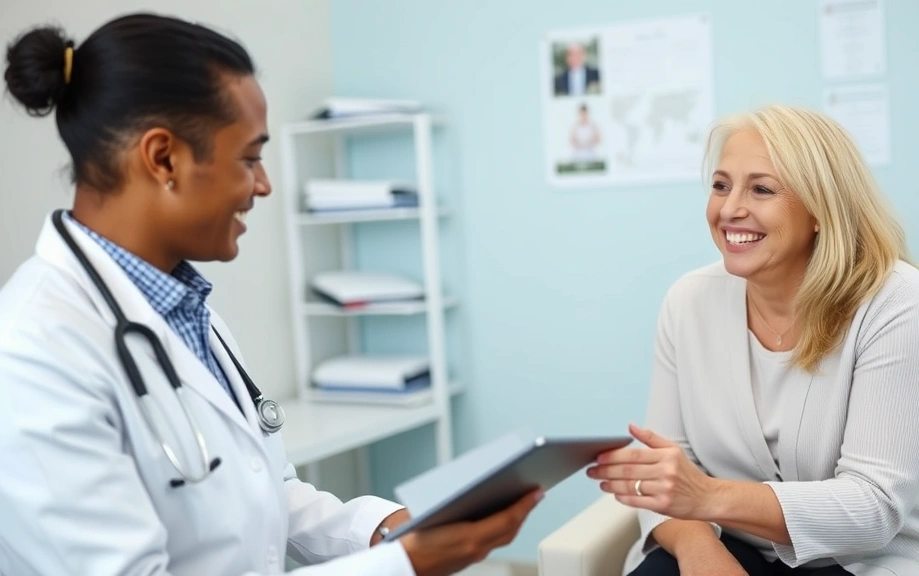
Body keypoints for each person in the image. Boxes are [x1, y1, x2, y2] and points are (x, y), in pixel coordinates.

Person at [0, 13, 540, 576]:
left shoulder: (179, 307)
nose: (264, 185)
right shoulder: (32, 352)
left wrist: (385, 532)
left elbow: (259, 490)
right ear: (163, 158)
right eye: (249, 158)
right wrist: (402, 565)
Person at [586, 105, 919, 575]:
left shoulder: (896, 302)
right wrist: (702, 552)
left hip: (879, 558)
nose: (730, 208)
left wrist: (707, 496)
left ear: (821, 208)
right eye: (721, 185)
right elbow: (667, 470)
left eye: (761, 189)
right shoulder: (688, 302)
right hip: (739, 547)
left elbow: (873, 509)